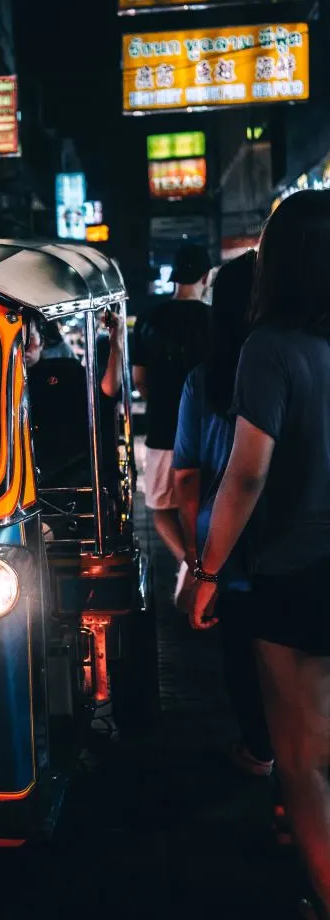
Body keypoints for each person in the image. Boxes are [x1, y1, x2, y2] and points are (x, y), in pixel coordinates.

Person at [190, 191, 330, 920]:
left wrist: (206, 573)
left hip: (298, 573)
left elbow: (244, 478)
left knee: (304, 761)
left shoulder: (270, 348)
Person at [172, 252, 273, 777]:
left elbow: (187, 475)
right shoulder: (295, 363)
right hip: (282, 539)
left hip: (224, 542)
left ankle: (259, 748)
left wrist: (197, 556)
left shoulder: (203, 379)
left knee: (240, 652)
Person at [133, 243, 211, 603]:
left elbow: (139, 379)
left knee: (160, 508)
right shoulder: (215, 320)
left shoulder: (149, 319)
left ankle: (189, 562)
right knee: (205, 504)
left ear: (174, 276)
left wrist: (161, 405)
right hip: (207, 432)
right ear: (206, 277)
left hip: (163, 429)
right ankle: (207, 565)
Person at [25, 311, 124, 491]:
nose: (25, 347)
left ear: (42, 342)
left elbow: (105, 396)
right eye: (18, 339)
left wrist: (116, 344)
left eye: (29, 337)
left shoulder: (66, 371)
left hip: (67, 481)